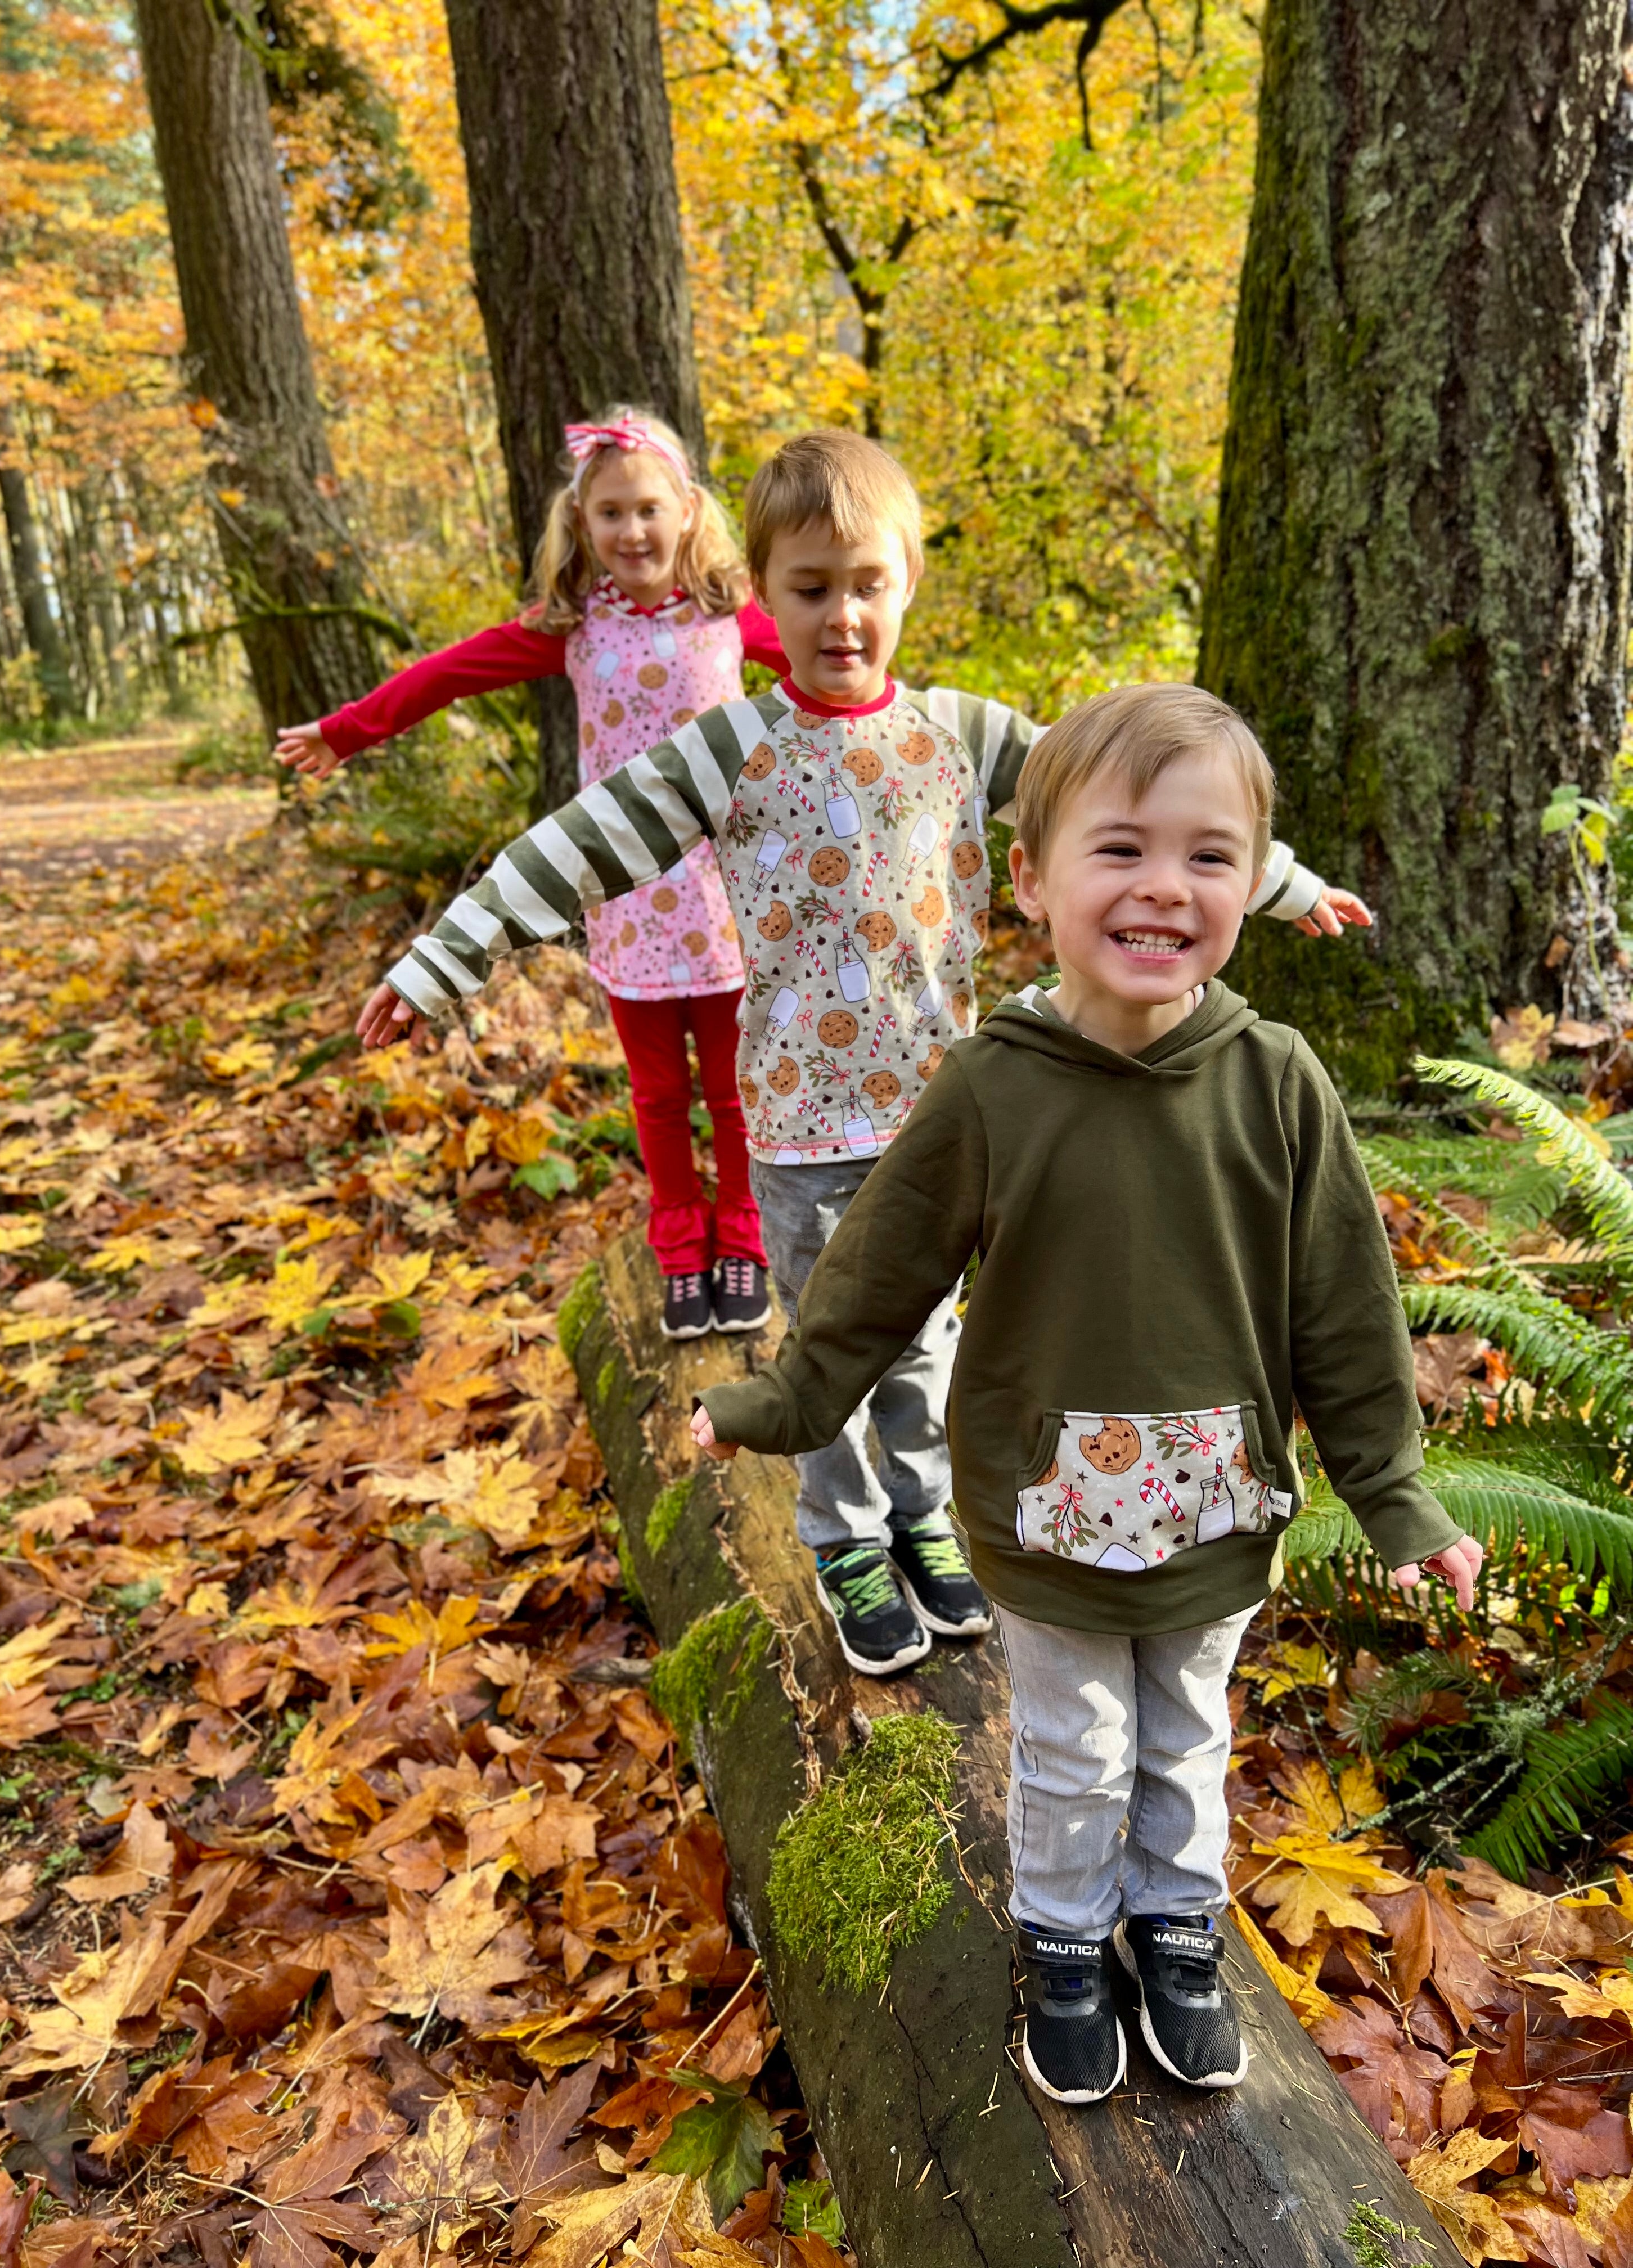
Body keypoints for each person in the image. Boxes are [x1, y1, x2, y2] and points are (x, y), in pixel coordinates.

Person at [353, 431, 1373, 1681]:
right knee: (832, 1337)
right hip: (798, 1125)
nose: (844, 617)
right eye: (813, 588)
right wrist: (436, 963)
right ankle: (841, 1536)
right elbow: (572, 850)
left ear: (908, 583)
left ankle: (924, 1520)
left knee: (937, 1342)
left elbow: (1131, 805)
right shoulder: (730, 749)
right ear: (764, 598)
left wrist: (1280, 881)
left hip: (950, 1119)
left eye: (869, 585)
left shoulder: (965, 734)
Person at [688, 683, 1482, 2102]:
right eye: (1120, 849)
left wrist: (1399, 1497)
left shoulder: (1278, 1084)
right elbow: (874, 1276)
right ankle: (1062, 1937)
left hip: (1221, 1500)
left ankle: (1174, 1928)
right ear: (1032, 878)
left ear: (1251, 881)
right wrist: (782, 1405)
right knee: (1071, 1744)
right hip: (1046, 1510)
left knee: (1187, 1733)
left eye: (1208, 855)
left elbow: (1345, 1316)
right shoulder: (996, 1087)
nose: (1164, 888)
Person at [277, 409, 786, 1342]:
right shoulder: (576, 626)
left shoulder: (731, 616)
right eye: (611, 515)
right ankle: (680, 1245)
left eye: (649, 510)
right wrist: (346, 732)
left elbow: (834, 674)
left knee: (733, 1085)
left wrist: (882, 742)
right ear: (582, 525)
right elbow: (449, 674)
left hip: (725, 893)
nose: (633, 533)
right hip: (622, 892)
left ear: (686, 511)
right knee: (657, 1094)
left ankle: (744, 1241)